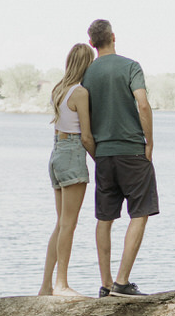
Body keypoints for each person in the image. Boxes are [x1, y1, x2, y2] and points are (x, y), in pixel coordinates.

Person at [82, 18, 158, 298]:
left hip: (104, 154)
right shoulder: (130, 66)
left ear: (92, 43)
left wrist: (96, 153)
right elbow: (143, 104)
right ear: (114, 37)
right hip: (132, 151)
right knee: (140, 212)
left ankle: (105, 284)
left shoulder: (86, 74)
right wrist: (149, 143)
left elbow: (84, 120)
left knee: (105, 218)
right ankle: (122, 282)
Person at [39, 42, 96, 299]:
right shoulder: (80, 92)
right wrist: (101, 161)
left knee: (61, 223)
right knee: (69, 224)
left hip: (56, 153)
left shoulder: (58, 89)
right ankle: (62, 284)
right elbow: (86, 136)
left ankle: (45, 286)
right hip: (72, 153)